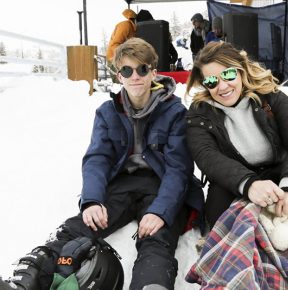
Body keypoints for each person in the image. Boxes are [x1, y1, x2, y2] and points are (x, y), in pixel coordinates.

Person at [0, 38, 204, 290]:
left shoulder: (174, 112)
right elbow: (98, 158)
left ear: (153, 71)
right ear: (120, 76)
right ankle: (26, 279)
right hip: (124, 182)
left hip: (160, 183)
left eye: (142, 69)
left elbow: (179, 168)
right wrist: (93, 200)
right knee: (79, 228)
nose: (135, 76)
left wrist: (160, 210)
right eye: (127, 70)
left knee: (156, 236)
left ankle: (152, 285)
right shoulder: (108, 112)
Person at [184, 41, 288, 289]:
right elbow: (206, 156)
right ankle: (227, 265)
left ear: (240, 70)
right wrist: (249, 184)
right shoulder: (199, 113)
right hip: (235, 179)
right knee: (217, 200)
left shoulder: (270, 95)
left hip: (278, 170)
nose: (223, 86)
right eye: (212, 81)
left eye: (227, 75)